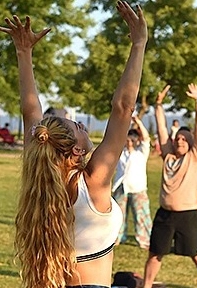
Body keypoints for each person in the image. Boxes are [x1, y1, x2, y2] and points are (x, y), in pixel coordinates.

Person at [0, 2, 148, 287]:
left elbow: (31, 112)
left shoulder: (41, 179)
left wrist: (24, 52)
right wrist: (139, 43)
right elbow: (123, 108)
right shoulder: (93, 182)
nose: (82, 125)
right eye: (77, 127)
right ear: (77, 151)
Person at [143, 84, 197, 288]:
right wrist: (158, 105)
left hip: (188, 215)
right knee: (155, 255)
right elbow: (161, 128)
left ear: (191, 142)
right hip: (165, 215)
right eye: (178, 139)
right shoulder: (169, 156)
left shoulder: (196, 156)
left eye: (184, 139)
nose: (180, 141)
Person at [112, 116, 152, 249]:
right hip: (121, 186)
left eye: (132, 140)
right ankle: (117, 237)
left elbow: (146, 139)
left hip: (137, 188)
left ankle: (144, 239)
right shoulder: (120, 153)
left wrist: (138, 122)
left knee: (141, 215)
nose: (129, 142)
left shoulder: (141, 152)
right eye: (127, 140)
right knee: (118, 215)